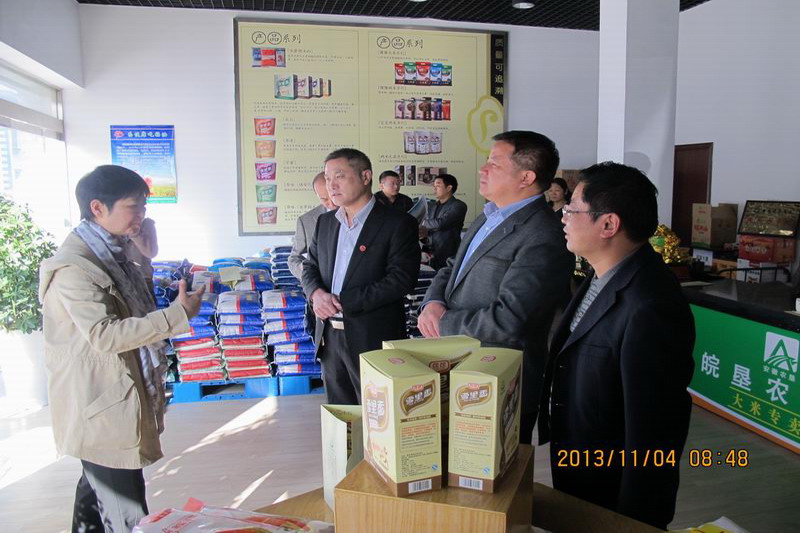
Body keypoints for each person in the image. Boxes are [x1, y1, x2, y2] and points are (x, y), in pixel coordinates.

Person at [39, 165, 205, 533]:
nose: (141, 216)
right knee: (128, 513)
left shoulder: (113, 253)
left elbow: (135, 307)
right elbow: (105, 335)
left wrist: (144, 254)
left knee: (95, 494)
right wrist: (178, 315)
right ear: (98, 208)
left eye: (144, 207)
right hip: (101, 404)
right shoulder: (75, 268)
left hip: (111, 398)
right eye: (134, 207)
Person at [537, 162, 695, 529]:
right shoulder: (601, 276)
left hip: (612, 488)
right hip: (581, 461)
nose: (563, 218)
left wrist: (636, 520)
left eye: (572, 210)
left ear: (608, 224)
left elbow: (655, 428)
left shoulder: (650, 303)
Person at [417, 131, 573, 444]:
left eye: (494, 163)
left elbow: (511, 318)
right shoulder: (489, 215)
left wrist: (444, 322)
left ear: (526, 177)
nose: (483, 169)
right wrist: (432, 302)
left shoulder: (542, 235)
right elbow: (453, 266)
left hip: (499, 382)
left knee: (493, 471)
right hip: (460, 370)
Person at [302, 149, 420, 405]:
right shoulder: (325, 223)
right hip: (330, 337)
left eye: (339, 176)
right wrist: (316, 294)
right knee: (341, 414)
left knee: (378, 413)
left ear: (366, 177)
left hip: (372, 335)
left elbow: (401, 279)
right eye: (327, 178)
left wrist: (343, 301)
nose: (331, 185)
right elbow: (309, 266)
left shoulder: (398, 223)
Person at [288, 172, 336, 280]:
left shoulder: (355, 213)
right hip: (318, 283)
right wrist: (306, 272)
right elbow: (294, 258)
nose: (332, 204)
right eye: (324, 199)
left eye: (333, 197)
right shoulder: (306, 221)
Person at [419, 174, 468, 270]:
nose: (434, 189)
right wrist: (423, 237)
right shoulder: (432, 206)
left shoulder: (458, 205)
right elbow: (430, 230)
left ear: (449, 188)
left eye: (438, 186)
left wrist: (421, 222)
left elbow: (440, 223)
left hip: (448, 255)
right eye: (434, 186)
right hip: (430, 255)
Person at [124, 216, 158, 299]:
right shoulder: (112, 225)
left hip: (142, 279)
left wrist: (134, 234)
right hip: (121, 279)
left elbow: (151, 252)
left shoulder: (147, 224)